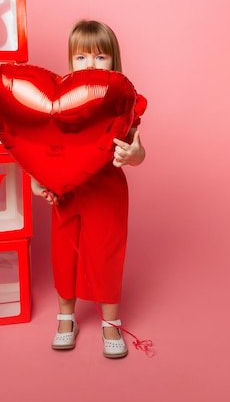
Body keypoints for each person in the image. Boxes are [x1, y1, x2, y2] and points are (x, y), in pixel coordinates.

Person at [31, 20, 147, 359]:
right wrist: (37, 178)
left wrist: (135, 154)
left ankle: (112, 323)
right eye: (81, 58)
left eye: (100, 57)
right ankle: (66, 318)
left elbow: (137, 148)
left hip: (108, 192)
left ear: (114, 61)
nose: (91, 65)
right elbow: (41, 148)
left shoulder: (123, 103)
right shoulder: (59, 101)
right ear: (70, 61)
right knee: (65, 253)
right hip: (67, 191)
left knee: (107, 254)